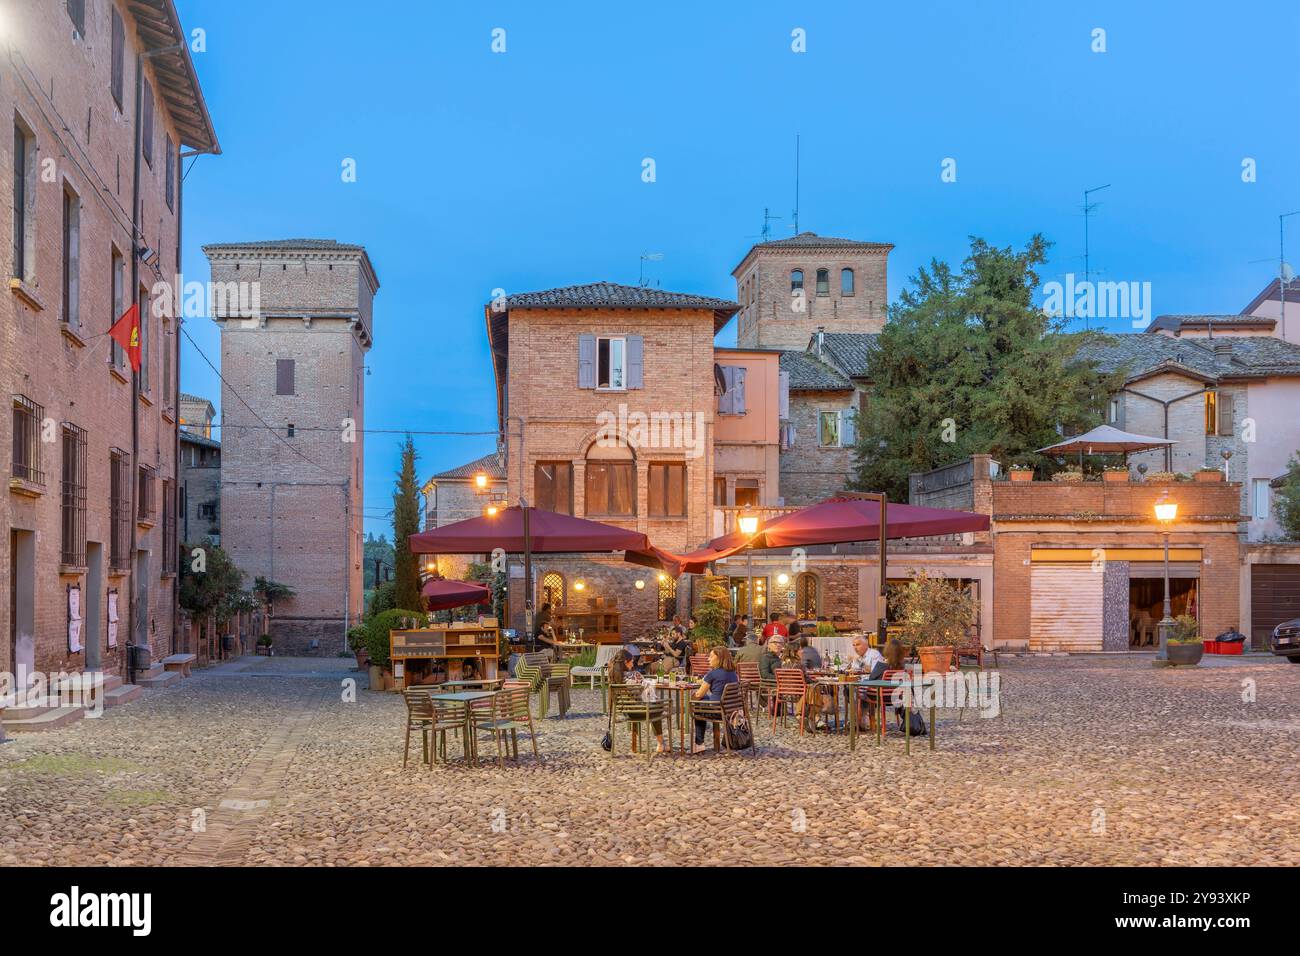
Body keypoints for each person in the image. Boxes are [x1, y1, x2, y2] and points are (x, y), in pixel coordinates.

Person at [608, 645, 665, 753]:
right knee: (658, 706)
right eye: (631, 661)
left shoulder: (613, 677)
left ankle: (661, 744)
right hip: (639, 711)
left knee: (655, 707)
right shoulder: (634, 675)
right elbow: (642, 692)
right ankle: (661, 743)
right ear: (625, 662)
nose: (633, 663)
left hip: (626, 712)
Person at [692, 646, 739, 753]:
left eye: (711, 656)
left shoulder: (712, 674)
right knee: (704, 698)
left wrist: (693, 698)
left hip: (718, 711)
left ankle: (699, 743)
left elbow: (699, 694)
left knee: (697, 704)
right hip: (731, 711)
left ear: (719, 658)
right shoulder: (733, 673)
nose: (708, 659)